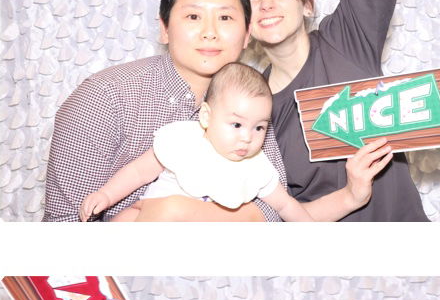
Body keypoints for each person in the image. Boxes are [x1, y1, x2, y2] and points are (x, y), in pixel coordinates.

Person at [45, 0, 389, 224]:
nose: (210, 32)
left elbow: (275, 211)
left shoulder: (251, 109)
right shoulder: (105, 97)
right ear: (164, 28)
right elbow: (64, 226)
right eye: (193, 17)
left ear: (247, 34)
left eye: (225, 18)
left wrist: (179, 213)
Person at [237, 0, 429, 223]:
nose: (266, 4)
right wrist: (349, 195)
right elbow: (277, 217)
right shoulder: (250, 106)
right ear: (244, 22)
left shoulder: (347, 39)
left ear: (308, 5)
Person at [78, 63, 363, 225]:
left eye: (259, 127)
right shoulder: (183, 139)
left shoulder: (257, 167)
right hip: (146, 214)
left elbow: (287, 206)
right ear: (206, 116)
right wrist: (106, 195)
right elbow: (138, 172)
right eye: (236, 124)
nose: (247, 137)